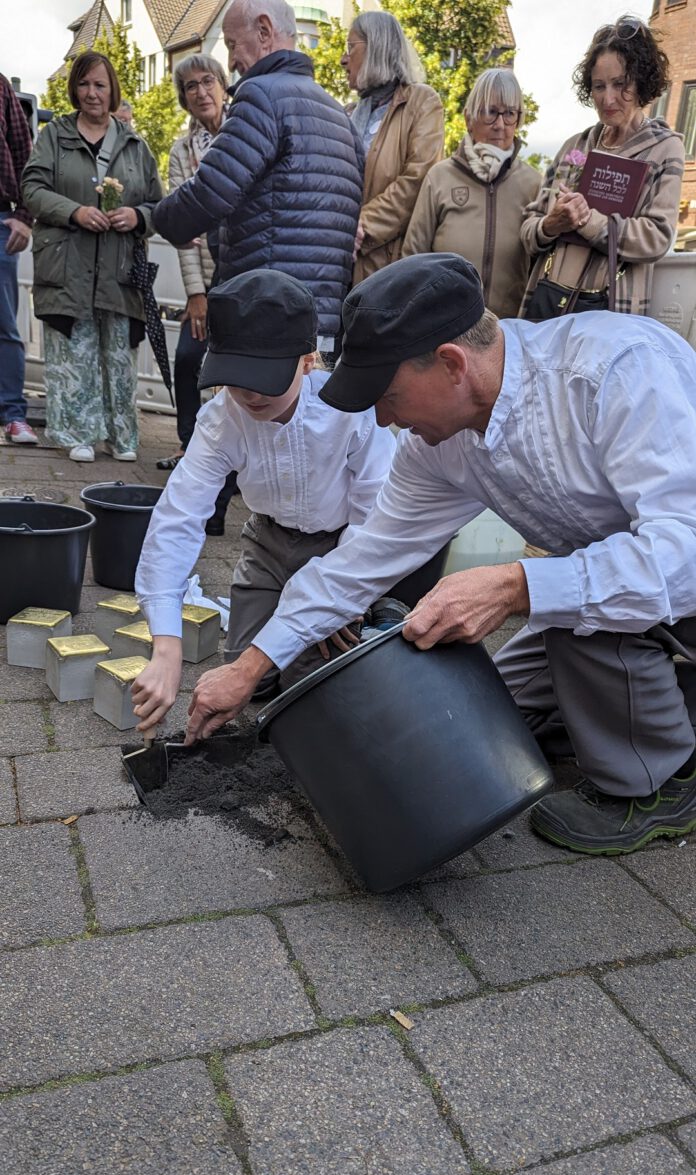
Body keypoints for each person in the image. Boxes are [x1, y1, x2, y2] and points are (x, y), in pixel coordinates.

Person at [172, 252, 696, 859]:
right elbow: (362, 561)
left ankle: (657, 784)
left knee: (582, 619)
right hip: (629, 574)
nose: (381, 417)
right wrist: (249, 668)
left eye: (388, 395)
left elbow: (682, 551)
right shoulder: (438, 446)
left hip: (679, 575)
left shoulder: (617, 371)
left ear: (451, 364)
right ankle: (640, 706)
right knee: (488, 708)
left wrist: (515, 586)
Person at [131, 268, 396, 722]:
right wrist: (167, 647)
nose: (247, 393)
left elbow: (374, 511)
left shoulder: (350, 412)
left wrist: (344, 597)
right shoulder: (221, 419)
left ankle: (378, 617)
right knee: (248, 669)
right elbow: (179, 515)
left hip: (339, 544)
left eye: (263, 378)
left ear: (308, 360)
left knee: (309, 679)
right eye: (234, 377)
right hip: (266, 541)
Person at [152, 0, 363, 354]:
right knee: (304, 410)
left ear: (264, 31)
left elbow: (210, 191)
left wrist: (163, 219)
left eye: (233, 44)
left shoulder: (260, 95)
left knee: (250, 411)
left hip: (264, 317)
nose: (232, 61)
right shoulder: (340, 117)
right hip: (321, 327)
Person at [21, 52, 162, 462]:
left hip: (120, 268)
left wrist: (136, 216)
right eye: (84, 84)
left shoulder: (136, 145)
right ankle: (77, 432)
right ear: (74, 88)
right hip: (68, 264)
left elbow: (159, 204)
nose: (92, 93)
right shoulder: (53, 136)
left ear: (112, 89)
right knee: (73, 350)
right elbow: (32, 188)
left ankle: (122, 437)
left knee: (119, 356)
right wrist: (75, 211)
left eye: (100, 85)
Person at [520, 15, 684, 319]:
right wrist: (551, 224)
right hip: (547, 304)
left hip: (610, 311)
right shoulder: (574, 146)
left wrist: (588, 221)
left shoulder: (666, 148)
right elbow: (529, 230)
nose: (608, 98)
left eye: (620, 84)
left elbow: (657, 237)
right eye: (598, 86)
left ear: (642, 81)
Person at [156, 52, 238, 535]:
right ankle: (191, 445)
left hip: (244, 273)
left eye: (208, 81)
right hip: (206, 278)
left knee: (241, 375)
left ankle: (241, 465)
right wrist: (195, 293)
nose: (201, 91)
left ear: (223, 85)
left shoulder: (244, 131)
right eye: (190, 86)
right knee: (189, 359)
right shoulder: (180, 152)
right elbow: (183, 234)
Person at [403, 68, 541, 319]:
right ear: (469, 118)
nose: (500, 124)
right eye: (490, 112)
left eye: (509, 113)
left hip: (508, 330)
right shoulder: (440, 177)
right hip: (444, 325)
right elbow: (413, 258)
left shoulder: (533, 183)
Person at [343, 10, 444, 286]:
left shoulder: (422, 102)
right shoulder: (350, 112)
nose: (343, 59)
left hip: (389, 270)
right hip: (341, 264)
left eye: (350, 47)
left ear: (377, 47)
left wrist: (361, 225)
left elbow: (418, 180)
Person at [0, 72, 37, 445]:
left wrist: (25, 218)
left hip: (0, 219)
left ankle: (13, 414)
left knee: (4, 325)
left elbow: (27, 158)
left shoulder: (0, 88)